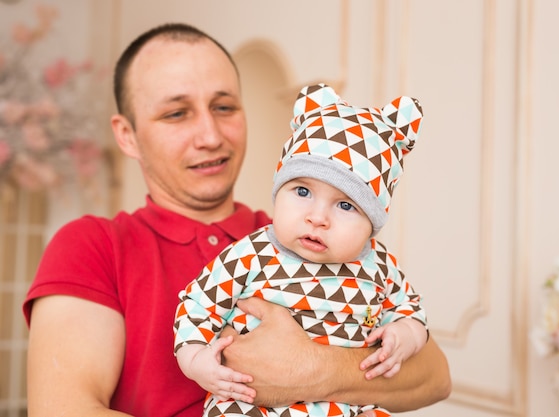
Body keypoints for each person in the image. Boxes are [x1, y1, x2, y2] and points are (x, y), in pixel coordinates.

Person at [22, 22, 451, 417]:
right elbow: (64, 409)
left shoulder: (314, 241)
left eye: (224, 107)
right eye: (176, 113)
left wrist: (312, 367)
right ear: (127, 135)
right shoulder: (94, 245)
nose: (211, 136)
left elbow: (434, 378)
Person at [174, 83, 429, 417]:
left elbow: (411, 312)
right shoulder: (252, 254)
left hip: (344, 406)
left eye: (345, 205)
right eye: (302, 192)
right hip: (251, 402)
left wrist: (404, 335)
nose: (317, 218)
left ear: (373, 222)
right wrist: (196, 361)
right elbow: (198, 305)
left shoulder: (379, 266)